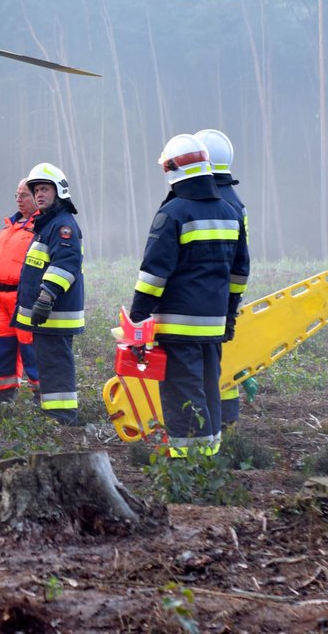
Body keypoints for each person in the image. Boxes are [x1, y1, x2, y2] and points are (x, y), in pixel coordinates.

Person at [127, 134, 248, 457]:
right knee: (209, 391)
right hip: (213, 327)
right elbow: (240, 274)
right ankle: (209, 457)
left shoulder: (173, 213)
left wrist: (138, 317)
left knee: (182, 393)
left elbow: (153, 274)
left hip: (177, 327)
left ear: (171, 169)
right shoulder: (230, 212)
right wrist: (230, 315)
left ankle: (188, 465)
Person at [13, 163, 85, 425]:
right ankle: (56, 414)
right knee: (50, 364)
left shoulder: (62, 225)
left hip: (56, 313)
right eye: (36, 190)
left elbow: (66, 264)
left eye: (45, 189)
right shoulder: (48, 224)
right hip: (48, 315)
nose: (39, 194)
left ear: (60, 192)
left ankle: (62, 416)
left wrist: (46, 297)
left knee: (56, 365)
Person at [194, 129, 251, 430]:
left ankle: (219, 420)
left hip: (207, 296)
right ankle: (226, 417)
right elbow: (242, 264)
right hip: (223, 295)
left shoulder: (215, 201)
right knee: (219, 358)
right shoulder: (234, 201)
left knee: (209, 364)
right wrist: (232, 304)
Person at [0, 179, 38, 402]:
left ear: (38, 196)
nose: (19, 199)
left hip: (23, 295)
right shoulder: (9, 227)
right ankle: (3, 395)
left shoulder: (43, 228)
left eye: (24, 195)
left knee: (31, 347)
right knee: (1, 345)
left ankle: (43, 395)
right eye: (17, 195)